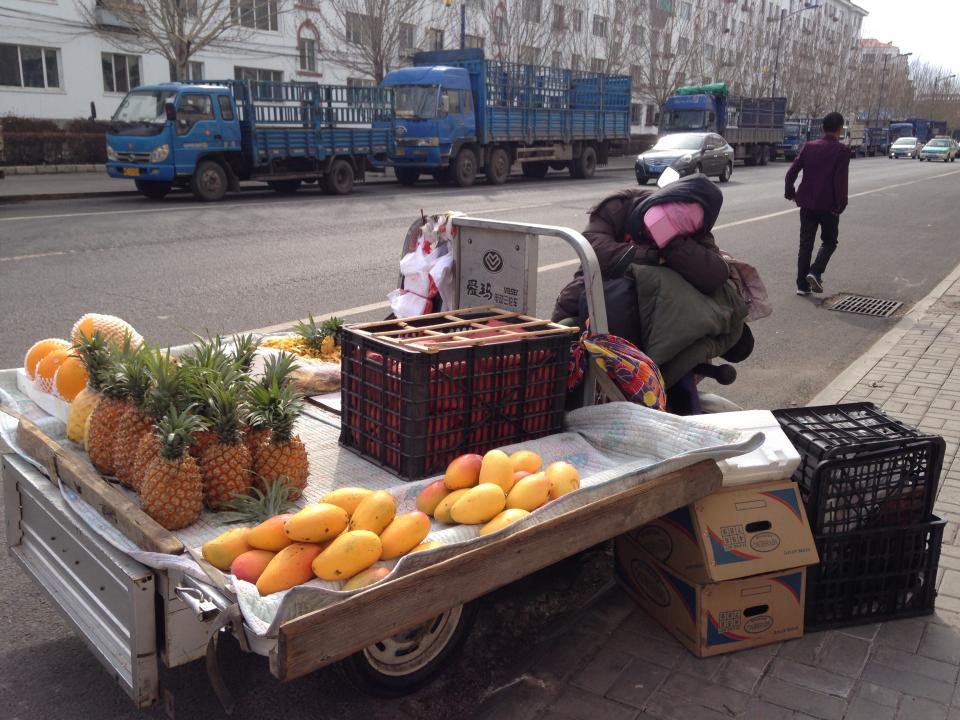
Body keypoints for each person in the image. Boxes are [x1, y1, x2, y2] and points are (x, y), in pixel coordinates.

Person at [784, 111, 850, 295]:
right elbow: (840, 181)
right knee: (829, 242)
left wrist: (790, 193)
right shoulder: (842, 151)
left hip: (807, 203)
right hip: (829, 206)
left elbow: (791, 173)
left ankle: (801, 285)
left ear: (823, 128)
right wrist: (841, 205)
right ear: (840, 129)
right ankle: (815, 271)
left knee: (805, 244)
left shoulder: (809, 146)